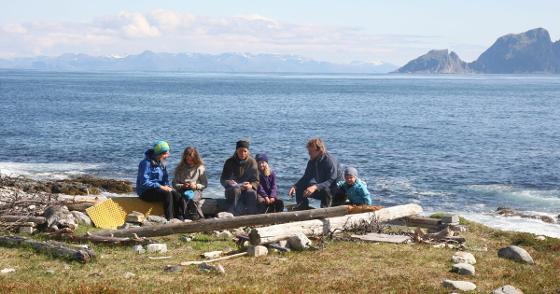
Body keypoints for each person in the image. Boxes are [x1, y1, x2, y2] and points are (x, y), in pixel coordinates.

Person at [288, 138, 343, 209]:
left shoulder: (329, 160)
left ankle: (325, 211)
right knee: (300, 187)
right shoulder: (312, 161)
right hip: (323, 188)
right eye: (308, 151)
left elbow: (331, 180)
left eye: (311, 151)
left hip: (337, 193)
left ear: (319, 150)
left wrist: (315, 187)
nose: (309, 153)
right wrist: (295, 186)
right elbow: (306, 177)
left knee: (326, 190)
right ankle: (302, 207)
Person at [136, 140, 182, 220]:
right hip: (145, 191)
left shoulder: (162, 163)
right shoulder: (145, 163)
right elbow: (144, 183)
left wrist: (168, 187)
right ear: (160, 154)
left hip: (158, 189)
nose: (168, 155)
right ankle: (169, 219)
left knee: (175, 194)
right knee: (167, 194)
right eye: (166, 153)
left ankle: (179, 217)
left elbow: (165, 179)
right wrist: (161, 187)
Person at [220, 140, 260, 215]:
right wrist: (228, 182)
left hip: (246, 189)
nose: (242, 153)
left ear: (248, 151)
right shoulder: (229, 162)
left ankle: (252, 215)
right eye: (240, 151)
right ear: (236, 151)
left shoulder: (252, 162)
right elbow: (222, 179)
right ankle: (233, 214)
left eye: (245, 151)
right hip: (232, 189)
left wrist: (251, 185)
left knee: (251, 193)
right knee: (236, 190)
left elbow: (256, 181)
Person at [173, 147, 208, 220]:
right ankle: (183, 217)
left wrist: (196, 186)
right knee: (181, 199)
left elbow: (205, 184)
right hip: (182, 189)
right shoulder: (180, 168)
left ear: (195, 158)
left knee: (192, 198)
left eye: (192, 159)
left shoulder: (200, 168)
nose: (189, 161)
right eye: (188, 159)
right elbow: (174, 183)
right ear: (185, 158)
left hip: (195, 190)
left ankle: (197, 217)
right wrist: (182, 185)